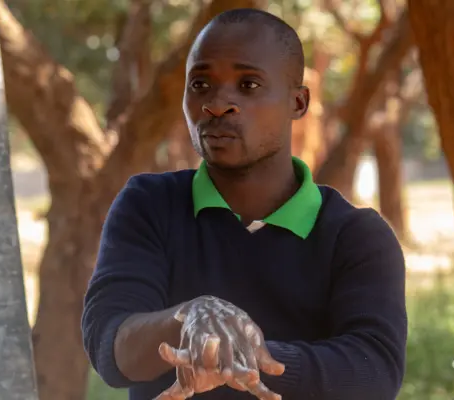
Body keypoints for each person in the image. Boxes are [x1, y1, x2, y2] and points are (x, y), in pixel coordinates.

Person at [81, 7, 407, 400]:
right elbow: (109, 344)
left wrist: (244, 356)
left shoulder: (355, 235)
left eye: (249, 85)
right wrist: (189, 319)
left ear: (298, 103)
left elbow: (374, 373)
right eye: (200, 84)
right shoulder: (150, 205)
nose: (217, 104)